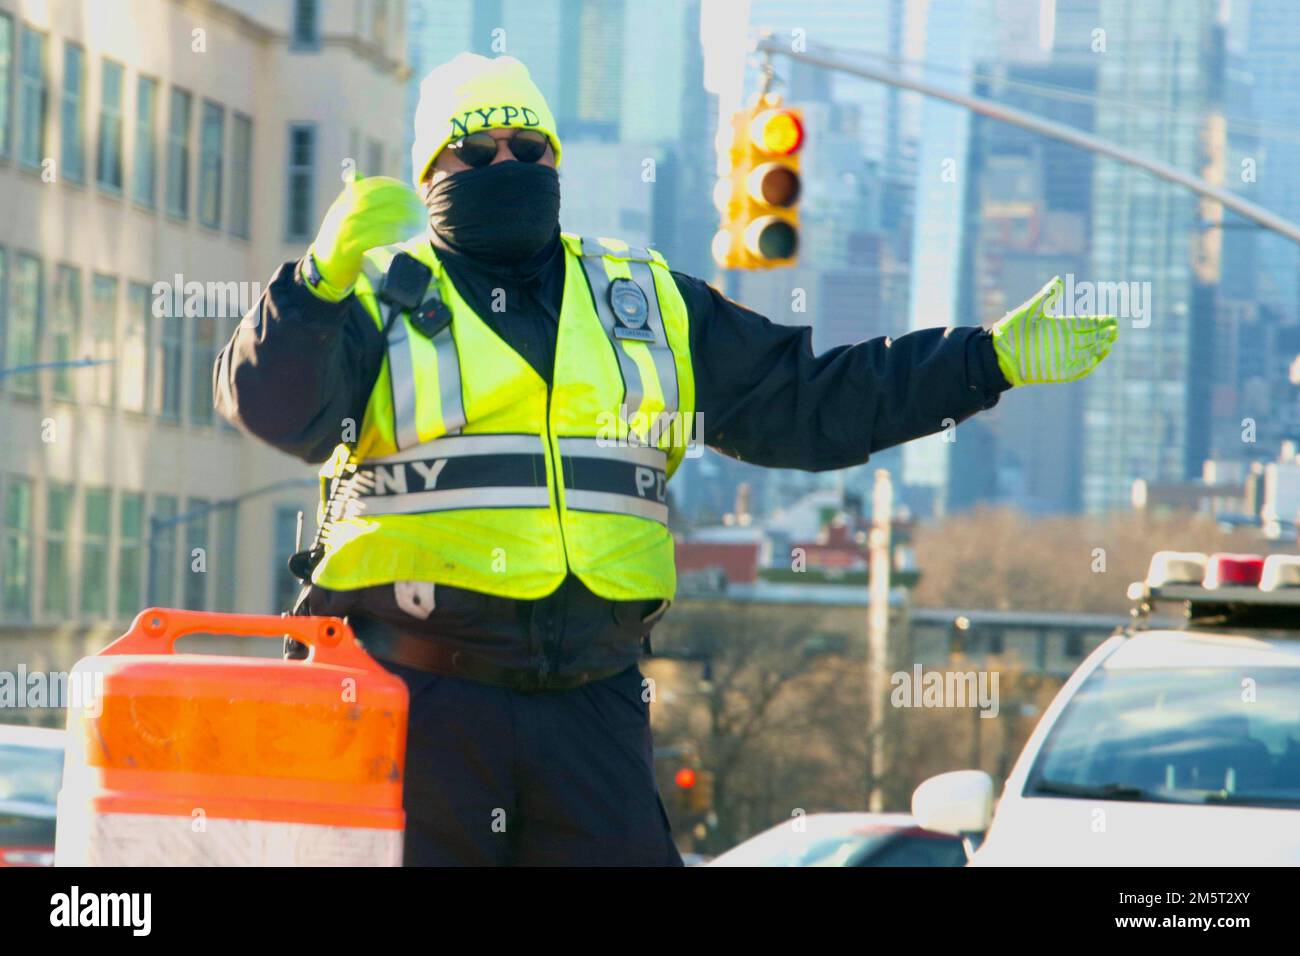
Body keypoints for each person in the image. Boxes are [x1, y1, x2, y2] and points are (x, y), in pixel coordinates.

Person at [214, 53, 1116, 866]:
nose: (508, 166)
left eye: (530, 147)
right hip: (417, 706)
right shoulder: (374, 297)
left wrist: (981, 360)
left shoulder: (641, 301)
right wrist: (314, 286)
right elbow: (274, 410)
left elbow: (809, 402)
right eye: (475, 150)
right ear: (429, 173)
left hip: (591, 704)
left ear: (557, 163)